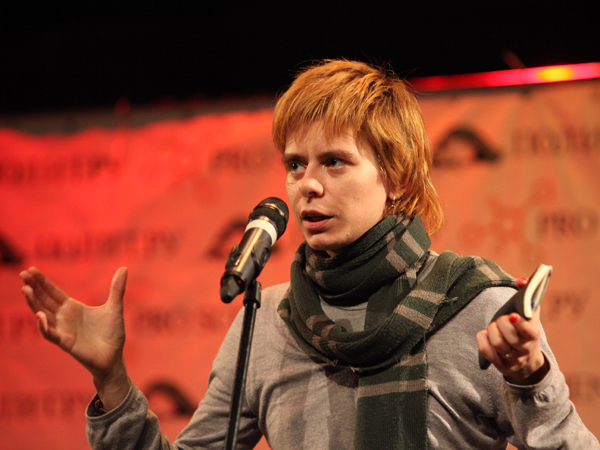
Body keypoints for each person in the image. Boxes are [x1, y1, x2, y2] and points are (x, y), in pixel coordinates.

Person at [20, 59, 598, 449]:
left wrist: (530, 378)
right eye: (295, 165)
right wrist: (111, 377)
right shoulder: (266, 321)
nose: (307, 185)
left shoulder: (479, 307)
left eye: (334, 162)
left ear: (397, 177)